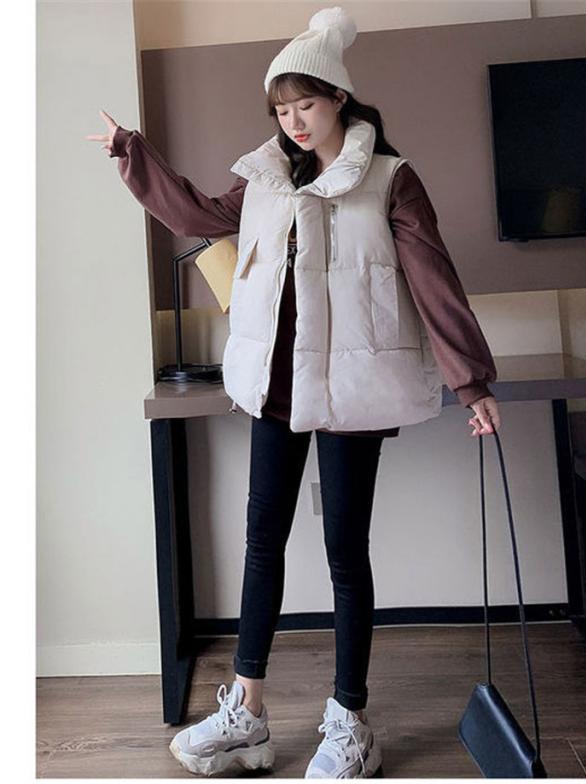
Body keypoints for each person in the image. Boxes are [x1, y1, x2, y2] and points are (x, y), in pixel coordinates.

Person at [87, 6, 501, 778]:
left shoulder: (390, 179)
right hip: (274, 387)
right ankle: (247, 713)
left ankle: (350, 720)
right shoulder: (266, 180)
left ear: (339, 96)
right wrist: (132, 153)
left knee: (345, 551)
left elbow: (433, 280)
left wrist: (470, 379)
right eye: (281, 111)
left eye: (305, 104)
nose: (294, 122)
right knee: (260, 542)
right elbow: (196, 214)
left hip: (353, 390)